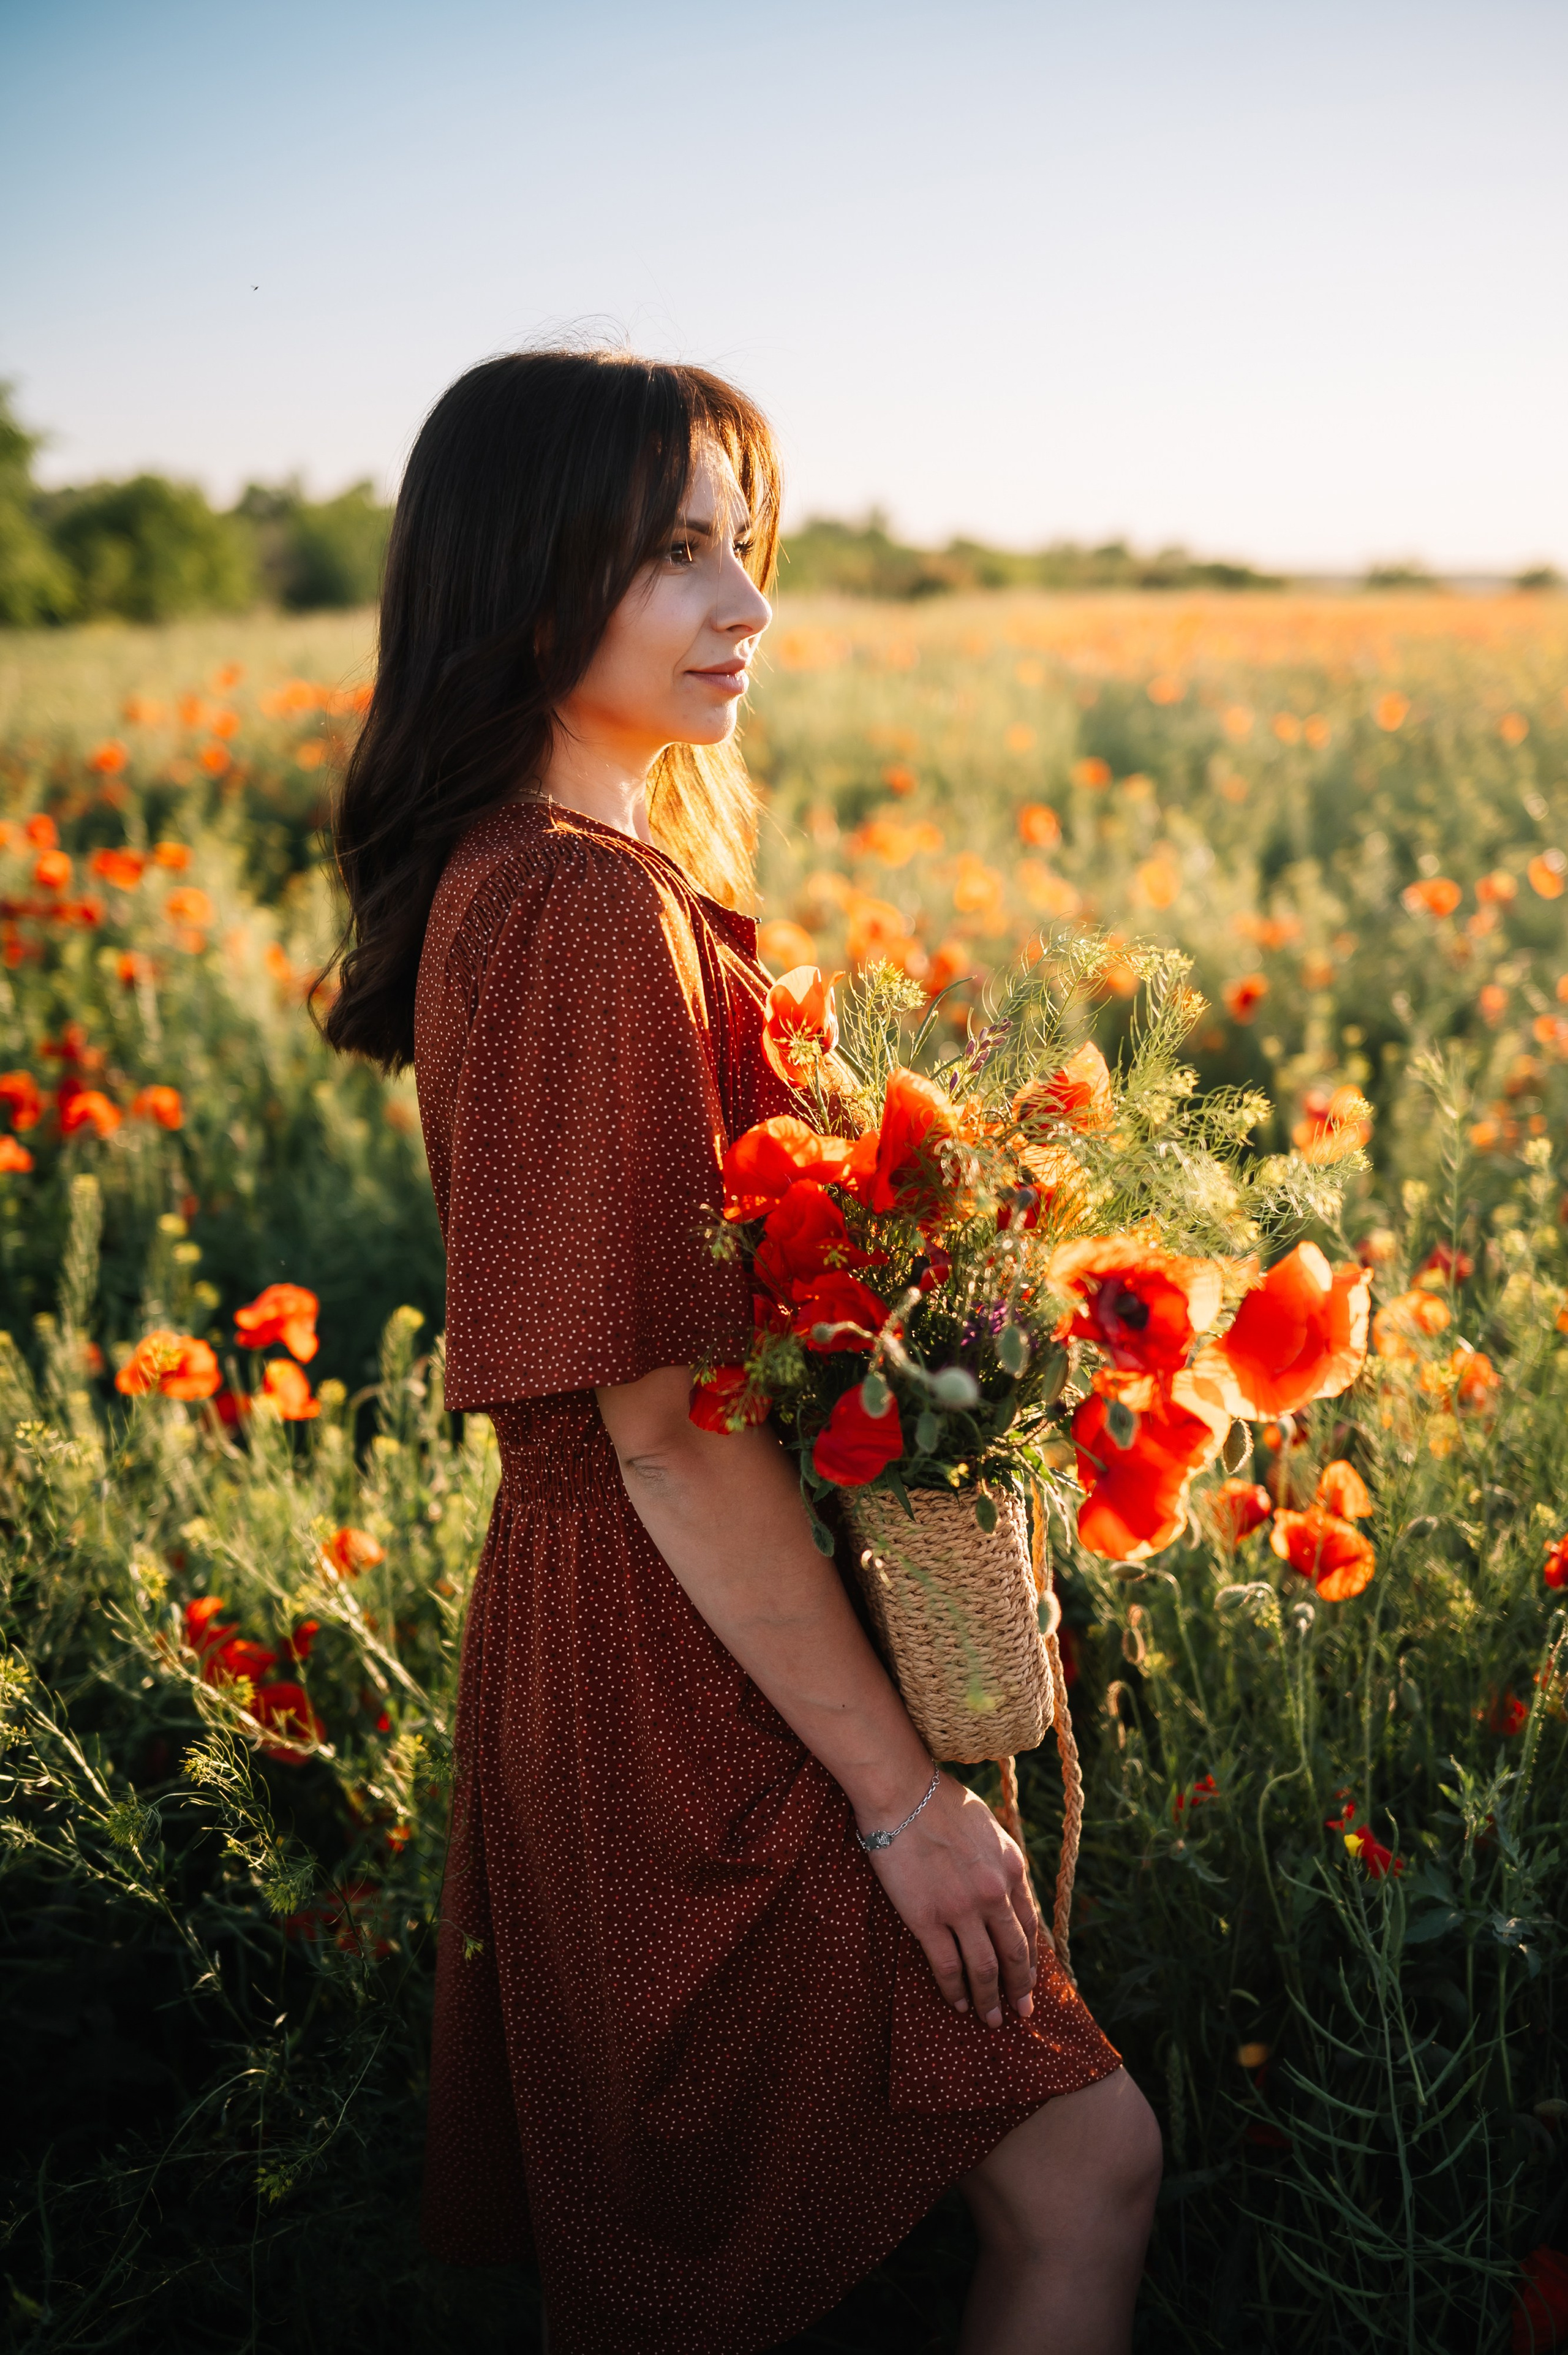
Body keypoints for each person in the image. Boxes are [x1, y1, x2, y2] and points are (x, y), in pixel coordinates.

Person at [325, 348, 1161, 2355]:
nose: (747, 605)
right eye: (680, 554)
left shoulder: (564, 886)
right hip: (677, 1657)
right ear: (532, 583)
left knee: (727, 2273)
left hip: (643, 1630)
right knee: (1079, 2164)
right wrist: (899, 1797)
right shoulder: (579, 908)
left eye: (747, 545)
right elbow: (660, 1424)